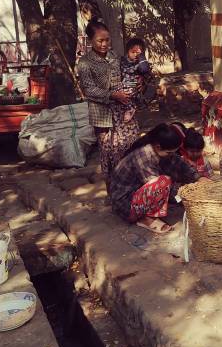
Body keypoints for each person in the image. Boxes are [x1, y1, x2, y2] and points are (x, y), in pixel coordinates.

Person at [76, 17, 138, 182]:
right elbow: (88, 90)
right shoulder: (85, 63)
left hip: (122, 109)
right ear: (90, 40)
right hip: (102, 115)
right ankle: (112, 190)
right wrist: (111, 94)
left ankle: (129, 185)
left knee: (129, 145)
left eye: (107, 40)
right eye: (100, 40)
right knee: (108, 152)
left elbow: (125, 75)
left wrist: (133, 84)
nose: (104, 44)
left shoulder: (114, 56)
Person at [108, 123, 200, 233]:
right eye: (169, 152)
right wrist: (184, 196)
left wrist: (198, 178)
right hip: (125, 202)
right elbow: (159, 187)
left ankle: (150, 211)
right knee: (163, 182)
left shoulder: (159, 151)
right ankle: (145, 218)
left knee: (173, 164)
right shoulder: (144, 156)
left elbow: (179, 163)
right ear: (158, 147)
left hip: (137, 192)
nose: (172, 154)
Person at [116, 37, 154, 124]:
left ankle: (131, 108)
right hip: (121, 86)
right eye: (133, 52)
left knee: (132, 88)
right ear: (127, 52)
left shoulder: (141, 64)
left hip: (134, 88)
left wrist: (142, 59)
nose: (135, 55)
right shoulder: (121, 62)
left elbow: (147, 76)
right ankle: (129, 108)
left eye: (138, 53)